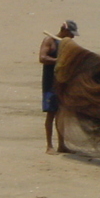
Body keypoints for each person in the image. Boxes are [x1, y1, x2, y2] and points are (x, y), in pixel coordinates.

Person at [39, 20, 78, 153]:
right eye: (71, 34)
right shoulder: (49, 41)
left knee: (61, 115)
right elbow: (42, 58)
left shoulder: (66, 44)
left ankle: (62, 145)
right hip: (50, 83)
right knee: (51, 114)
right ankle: (49, 146)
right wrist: (58, 60)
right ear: (65, 31)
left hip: (62, 83)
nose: (72, 37)